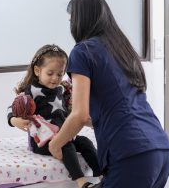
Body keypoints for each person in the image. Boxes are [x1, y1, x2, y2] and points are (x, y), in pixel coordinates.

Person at [48, 0, 169, 188]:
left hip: (131, 152)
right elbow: (117, 105)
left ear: (81, 20)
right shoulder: (122, 49)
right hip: (161, 148)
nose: (71, 25)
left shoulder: (82, 52)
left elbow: (79, 114)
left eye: (71, 20)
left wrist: (55, 143)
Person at [7, 44, 102, 188]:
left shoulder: (62, 89)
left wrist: (90, 121)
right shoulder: (32, 91)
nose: (55, 78)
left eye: (59, 74)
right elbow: (12, 109)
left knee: (85, 143)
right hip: (43, 141)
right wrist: (14, 120)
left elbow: (71, 112)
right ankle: (81, 181)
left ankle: (101, 175)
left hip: (64, 135)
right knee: (67, 146)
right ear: (37, 70)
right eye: (50, 73)